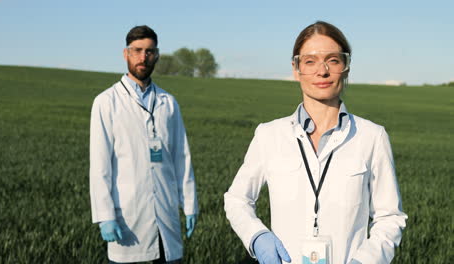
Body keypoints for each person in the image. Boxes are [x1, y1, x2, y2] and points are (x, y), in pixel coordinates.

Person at [224, 21, 407, 264]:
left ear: (346, 67)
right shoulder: (269, 135)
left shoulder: (372, 136)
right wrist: (257, 237)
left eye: (333, 60)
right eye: (310, 61)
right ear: (296, 69)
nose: (322, 71)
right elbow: (237, 200)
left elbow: (390, 217)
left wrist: (365, 261)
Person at [90, 25, 198, 264]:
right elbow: (100, 166)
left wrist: (190, 204)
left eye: (149, 51)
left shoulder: (168, 103)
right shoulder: (106, 102)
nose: (143, 57)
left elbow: (182, 156)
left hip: (166, 215)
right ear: (125, 53)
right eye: (137, 50)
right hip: (128, 217)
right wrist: (105, 215)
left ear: (156, 55)